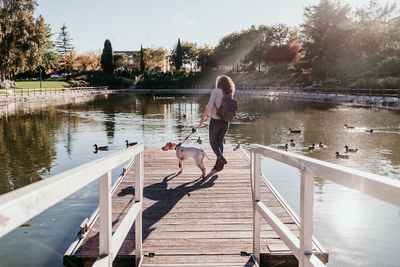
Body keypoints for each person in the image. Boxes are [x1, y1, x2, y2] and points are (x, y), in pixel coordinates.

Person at [200, 75, 235, 172]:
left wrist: (203, 118)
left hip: (215, 121)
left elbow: (209, 106)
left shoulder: (216, 91)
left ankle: (221, 158)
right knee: (220, 142)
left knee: (213, 142)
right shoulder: (229, 93)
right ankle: (218, 165)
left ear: (218, 83)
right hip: (225, 122)